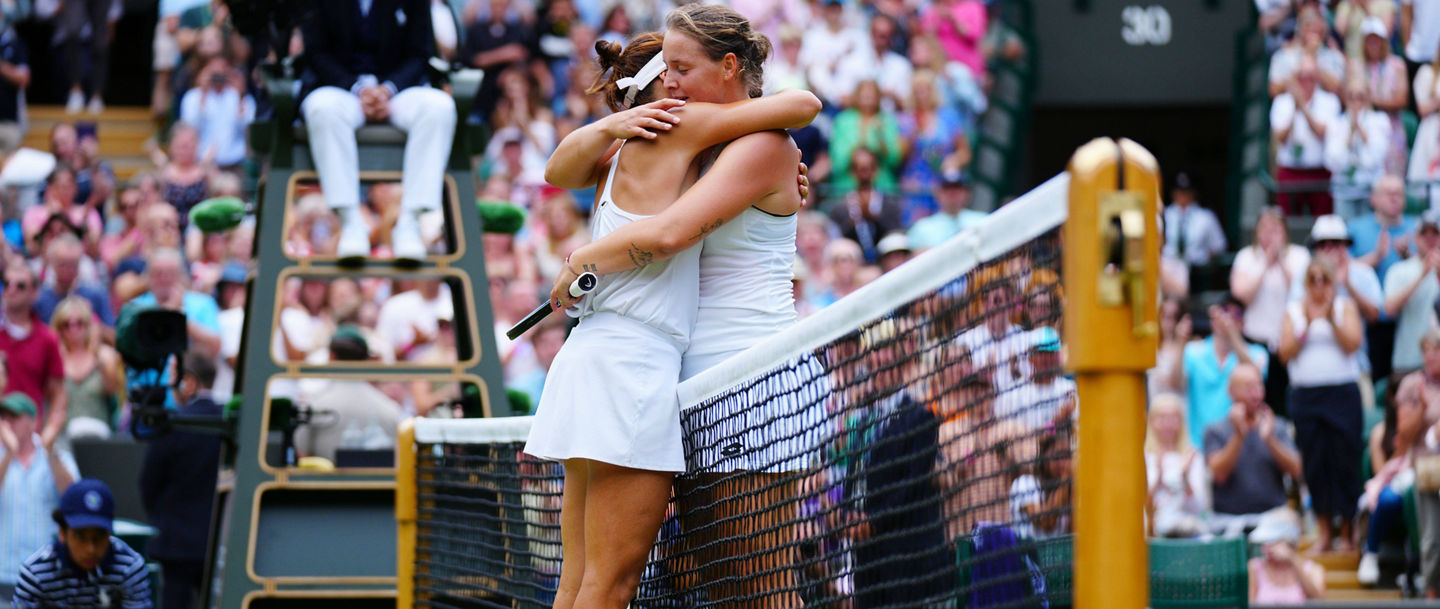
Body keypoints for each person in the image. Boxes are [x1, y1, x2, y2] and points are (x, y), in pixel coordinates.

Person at [539, 9, 822, 607]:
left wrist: (581, 261)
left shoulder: (763, 145)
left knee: (760, 589)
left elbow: (670, 233)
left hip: (751, 382)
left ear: (728, 66)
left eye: (681, 68)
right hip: (679, 381)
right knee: (707, 583)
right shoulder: (687, 141)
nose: (669, 80)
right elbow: (563, 169)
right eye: (663, 68)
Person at [299, 0, 457, 263]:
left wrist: (388, 89)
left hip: (397, 92)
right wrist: (357, 88)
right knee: (321, 108)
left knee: (439, 107)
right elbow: (316, 53)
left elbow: (420, 53)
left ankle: (409, 223)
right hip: (342, 91)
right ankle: (350, 221)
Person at [1279, 258, 1367, 552]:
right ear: (1305, 283)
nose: (1319, 286)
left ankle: (1348, 531)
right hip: (1307, 396)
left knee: (1344, 460)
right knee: (1315, 463)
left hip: (1341, 394)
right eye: (1313, 279)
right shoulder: (1294, 311)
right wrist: (1305, 324)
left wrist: (1329, 318)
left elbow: (1352, 343)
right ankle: (1325, 532)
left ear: (1333, 282)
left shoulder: (1345, 307)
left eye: (1324, 279)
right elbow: (1285, 352)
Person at [139, 351, 221, 609]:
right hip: (216, 542)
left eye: (174, 377)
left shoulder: (173, 425)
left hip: (174, 545)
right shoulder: (230, 423)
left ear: (189, 381)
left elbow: (148, 483)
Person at [14, 479, 151, 609]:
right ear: (62, 533)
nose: (91, 549)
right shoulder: (35, 573)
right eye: (80, 537)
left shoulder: (130, 567)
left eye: (99, 537)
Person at [1204, 363, 1303, 537]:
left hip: (1272, 518)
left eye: (1259, 385)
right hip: (1227, 520)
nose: (1256, 393)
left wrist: (1270, 440)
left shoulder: (1277, 426)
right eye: (1249, 387)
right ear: (1231, 392)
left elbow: (1296, 470)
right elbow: (1219, 474)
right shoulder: (1215, 430)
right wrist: (1238, 435)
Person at [0, 392, 78, 605]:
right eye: (3, 417)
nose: (7, 422)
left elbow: (74, 500)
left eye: (14, 416)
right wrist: (9, 452)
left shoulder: (55, 456)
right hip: (3, 577)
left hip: (47, 576)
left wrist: (51, 450)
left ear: (34, 421)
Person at [1231, 206, 1309, 412]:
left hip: (1289, 342)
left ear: (1285, 230)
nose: (1270, 233)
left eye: (1275, 227)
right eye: (1264, 227)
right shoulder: (1246, 257)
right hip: (1255, 341)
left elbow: (1303, 292)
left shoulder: (1299, 255)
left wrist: (1280, 259)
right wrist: (1266, 261)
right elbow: (1242, 295)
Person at [1168, 295, 1269, 448]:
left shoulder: (1257, 353)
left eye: (1236, 315)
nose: (1228, 320)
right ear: (1212, 321)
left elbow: (1256, 377)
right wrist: (1180, 342)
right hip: (1198, 445)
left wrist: (1232, 336)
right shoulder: (1194, 351)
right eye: (1224, 312)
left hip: (1240, 446)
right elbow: (1174, 383)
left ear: (1243, 323)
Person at [294, 327, 404, 462]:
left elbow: (301, 456)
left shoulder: (314, 406)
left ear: (331, 357)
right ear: (365, 360)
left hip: (325, 483)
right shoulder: (391, 410)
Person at [1359, 372, 1425, 585]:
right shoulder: (1380, 432)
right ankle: (1371, 553)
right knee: (1389, 500)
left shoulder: (1425, 431)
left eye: (1415, 402)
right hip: (1388, 489)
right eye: (1406, 401)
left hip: (1418, 489)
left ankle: (1417, 566)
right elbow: (1381, 475)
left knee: (1412, 499)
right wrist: (1405, 439)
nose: (1409, 407)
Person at [0, 262, 68, 446]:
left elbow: (58, 394)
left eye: (20, 285)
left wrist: (48, 436)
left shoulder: (47, 339)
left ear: (34, 293)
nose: (11, 289)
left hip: (31, 438)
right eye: (6, 283)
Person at [1272, 55, 1343, 216]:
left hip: (1319, 172)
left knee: (1322, 221)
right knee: (1288, 221)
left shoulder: (1330, 101)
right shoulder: (1281, 102)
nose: (1305, 82)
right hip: (1290, 171)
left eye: (1310, 77)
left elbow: (1322, 132)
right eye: (1301, 77)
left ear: (1317, 78)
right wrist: (1293, 111)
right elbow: (1280, 137)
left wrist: (1303, 107)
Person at [52, 297, 123, 440]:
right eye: (67, 324)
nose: (74, 329)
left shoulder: (104, 357)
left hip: (99, 439)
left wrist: (95, 349)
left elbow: (113, 390)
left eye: (80, 323)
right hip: (63, 439)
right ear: (59, 327)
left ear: (88, 326)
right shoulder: (54, 359)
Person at [1325, 82, 1394, 218]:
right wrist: (1350, 132)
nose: (1356, 102)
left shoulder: (1380, 120)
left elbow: (1376, 157)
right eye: (1351, 97)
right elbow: (1332, 161)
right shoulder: (1336, 123)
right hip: (1344, 190)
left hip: (1371, 190)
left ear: (1368, 98)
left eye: (1360, 97)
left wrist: (1359, 128)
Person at [1146, 393, 1210, 538]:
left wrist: (1185, 478)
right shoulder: (1143, 457)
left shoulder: (1193, 456)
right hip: (1153, 533)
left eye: (1173, 418)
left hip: (1186, 532)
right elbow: (1140, 508)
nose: (1167, 424)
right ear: (1151, 422)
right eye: (1161, 418)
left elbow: (1199, 510)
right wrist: (1158, 479)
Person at [1384, 209, 1440, 374]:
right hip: (1409, 361)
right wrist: (1422, 275)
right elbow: (1388, 309)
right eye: (1424, 234)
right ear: (1416, 238)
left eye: (1435, 233)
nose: (1429, 239)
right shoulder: (1399, 270)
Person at [828, 147, 904, 265]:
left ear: (876, 171)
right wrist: (853, 222)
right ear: (852, 172)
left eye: (868, 169)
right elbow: (836, 242)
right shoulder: (840, 209)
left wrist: (873, 218)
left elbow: (895, 238)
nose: (864, 174)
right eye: (859, 169)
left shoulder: (890, 206)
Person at [34, 233, 113, 328]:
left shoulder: (96, 295)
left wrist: (90, 319)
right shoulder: (39, 299)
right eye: (62, 264)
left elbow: (113, 335)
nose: (67, 270)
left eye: (73, 265)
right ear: (52, 263)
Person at [1248, 512, 1326, 604]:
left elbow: (1319, 600)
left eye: (1272, 542)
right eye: (1263, 543)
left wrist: (1292, 559)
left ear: (1289, 542)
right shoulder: (1255, 567)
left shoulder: (1313, 569)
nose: (1265, 548)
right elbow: (1250, 604)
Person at [1162, 171, 1227, 266]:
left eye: (1186, 192)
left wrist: (1205, 258)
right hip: (1167, 268)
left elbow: (1219, 246)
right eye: (1179, 192)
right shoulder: (1164, 214)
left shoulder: (1206, 217)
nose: (1182, 196)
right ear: (1173, 193)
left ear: (1193, 193)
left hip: (1197, 270)